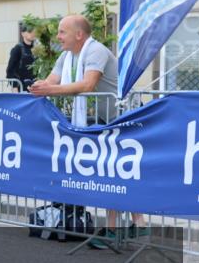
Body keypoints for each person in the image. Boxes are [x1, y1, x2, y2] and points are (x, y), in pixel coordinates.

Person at [29, 14, 146, 246]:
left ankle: (131, 226)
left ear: (79, 34)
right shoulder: (67, 56)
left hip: (129, 116)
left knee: (115, 172)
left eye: (62, 31)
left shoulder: (96, 51)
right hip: (109, 118)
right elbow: (52, 80)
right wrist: (38, 86)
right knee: (111, 172)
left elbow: (88, 85)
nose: (58, 36)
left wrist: (50, 91)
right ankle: (129, 227)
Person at [6, 23, 36, 92]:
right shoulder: (18, 49)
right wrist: (15, 87)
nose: (32, 34)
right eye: (29, 31)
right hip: (21, 88)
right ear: (22, 33)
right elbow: (10, 70)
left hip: (34, 88)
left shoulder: (37, 49)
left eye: (33, 32)